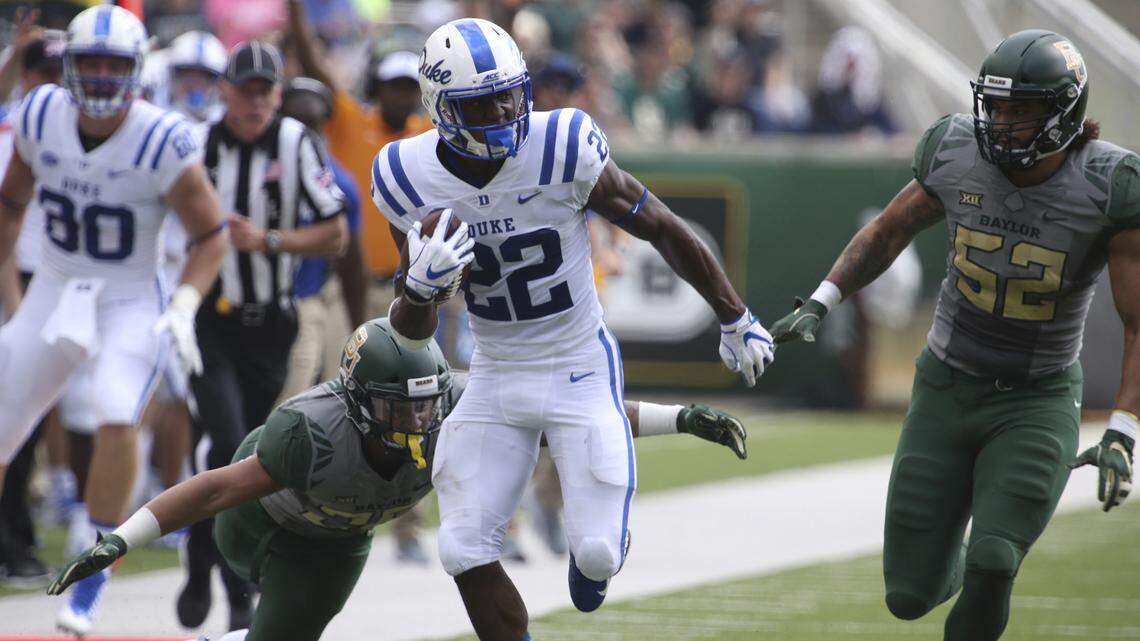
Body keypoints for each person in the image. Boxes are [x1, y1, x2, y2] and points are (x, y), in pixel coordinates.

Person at [380, 18, 773, 641]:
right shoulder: (406, 176)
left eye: (510, 95)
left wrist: (734, 314)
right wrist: (420, 289)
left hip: (579, 364)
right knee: (460, 547)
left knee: (593, 555)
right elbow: (409, 333)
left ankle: (593, 566)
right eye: (483, 104)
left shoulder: (560, 144)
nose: (504, 114)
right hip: (494, 371)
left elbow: (662, 225)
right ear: (440, 110)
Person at [47, 318, 750, 641]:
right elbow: (214, 489)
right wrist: (120, 537)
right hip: (267, 520)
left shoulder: (456, 405)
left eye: (426, 400)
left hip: (338, 538)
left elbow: (578, 415)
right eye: (398, 404)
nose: (418, 416)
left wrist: (680, 416)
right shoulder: (309, 431)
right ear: (357, 399)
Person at [770, 30, 1139, 641]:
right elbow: (887, 232)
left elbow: (1139, 321)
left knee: (995, 559)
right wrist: (822, 299)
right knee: (908, 596)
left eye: (1021, 110)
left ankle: (992, 534)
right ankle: (966, 535)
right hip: (945, 383)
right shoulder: (956, 150)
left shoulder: (1107, 185)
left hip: (1036, 398)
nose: (1001, 123)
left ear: (1064, 112)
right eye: (994, 106)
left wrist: (1124, 428)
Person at [0, 5, 229, 635]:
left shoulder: (163, 139)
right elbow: (10, 204)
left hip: (131, 296)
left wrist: (184, 305)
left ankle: (94, 572)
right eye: (90, 63)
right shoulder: (41, 112)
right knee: (2, 415)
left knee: (115, 409)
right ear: (68, 65)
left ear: (136, 69)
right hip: (54, 283)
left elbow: (211, 237)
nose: (101, 77)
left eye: (114, 65)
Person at [178, 40, 347, 633]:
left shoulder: (296, 142)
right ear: (224, 90)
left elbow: (334, 234)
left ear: (277, 94)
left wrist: (271, 242)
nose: (254, 102)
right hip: (209, 321)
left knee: (251, 456)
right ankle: (224, 579)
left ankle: (209, 561)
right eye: (244, 89)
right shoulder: (195, 142)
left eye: (264, 91)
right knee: (225, 442)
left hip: (272, 325)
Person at [286, 0, 433, 301]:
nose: (402, 96)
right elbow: (312, 63)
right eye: (395, 86)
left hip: (412, 290)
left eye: (409, 88)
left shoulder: (427, 134)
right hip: (351, 286)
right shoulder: (351, 122)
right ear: (376, 87)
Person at [276, 76, 367, 399]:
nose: (303, 133)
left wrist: (360, 328)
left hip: (305, 301)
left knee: (294, 399)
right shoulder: (255, 165)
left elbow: (351, 260)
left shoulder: (338, 181)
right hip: (248, 304)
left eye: (311, 123)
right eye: (294, 121)